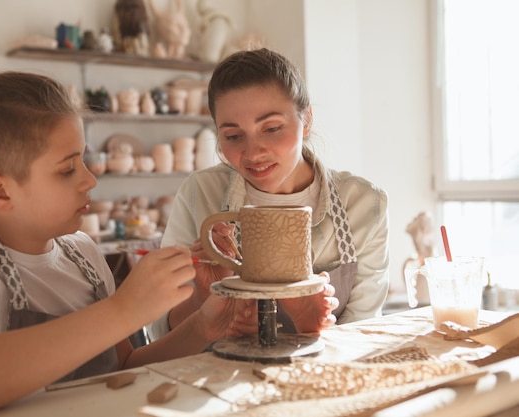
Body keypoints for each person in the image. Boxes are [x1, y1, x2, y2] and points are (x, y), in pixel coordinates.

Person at [0, 40, 256, 417]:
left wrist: (204, 325)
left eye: (84, 161)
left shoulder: (83, 254)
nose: (90, 180)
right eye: (67, 169)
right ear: (0, 191)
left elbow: (123, 369)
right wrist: (124, 309)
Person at [147, 48, 389, 341]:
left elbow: (362, 335)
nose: (253, 152)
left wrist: (312, 321)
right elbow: (163, 332)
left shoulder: (364, 204)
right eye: (233, 136)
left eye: (272, 128)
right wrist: (203, 295)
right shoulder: (200, 194)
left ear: (307, 119)